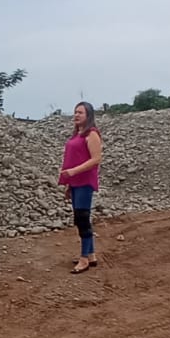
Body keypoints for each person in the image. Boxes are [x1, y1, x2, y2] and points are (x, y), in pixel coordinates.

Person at [58, 101, 103, 274]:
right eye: (75, 112)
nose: (76, 115)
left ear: (88, 115)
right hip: (76, 182)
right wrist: (69, 184)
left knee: (82, 219)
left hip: (84, 181)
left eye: (80, 112)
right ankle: (90, 255)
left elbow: (96, 159)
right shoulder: (77, 134)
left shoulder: (92, 134)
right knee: (81, 218)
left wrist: (74, 171)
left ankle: (84, 259)